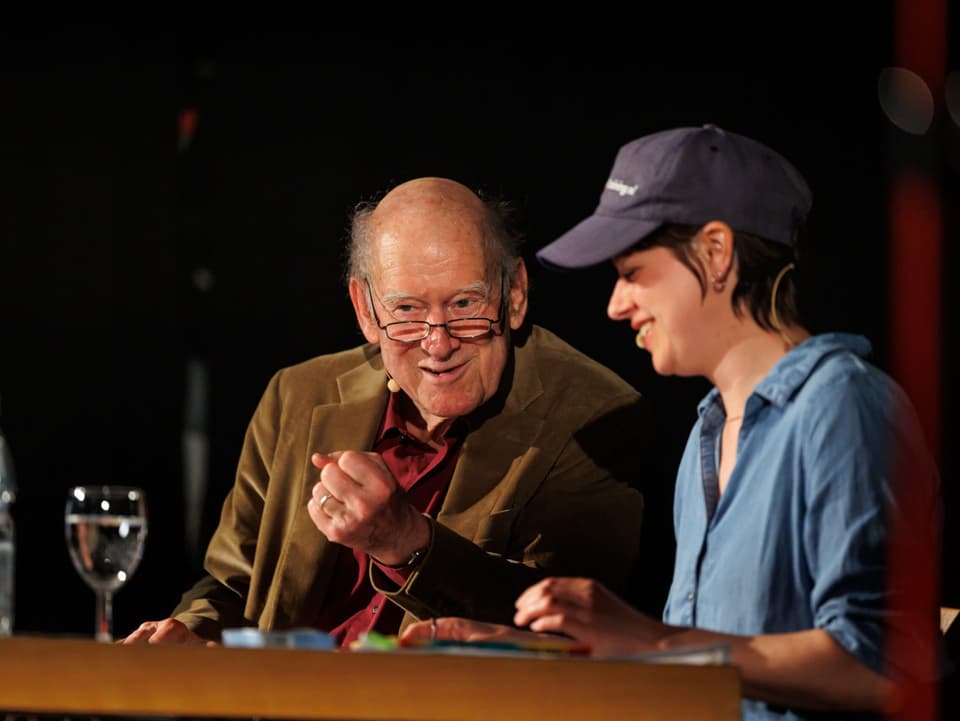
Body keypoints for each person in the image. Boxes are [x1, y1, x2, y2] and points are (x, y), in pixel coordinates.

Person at [402, 126, 941, 719]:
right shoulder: (707, 435)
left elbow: (888, 668)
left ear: (716, 253)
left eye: (632, 272)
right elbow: (705, 668)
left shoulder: (843, 408)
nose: (614, 303)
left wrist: (648, 638)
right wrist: (526, 653)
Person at [121, 176, 651, 649]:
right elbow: (235, 581)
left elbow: (569, 633)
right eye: (407, 310)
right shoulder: (297, 394)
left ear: (513, 294)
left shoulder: (594, 415)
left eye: (465, 305)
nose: (437, 344)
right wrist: (190, 630)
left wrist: (408, 545)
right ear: (364, 310)